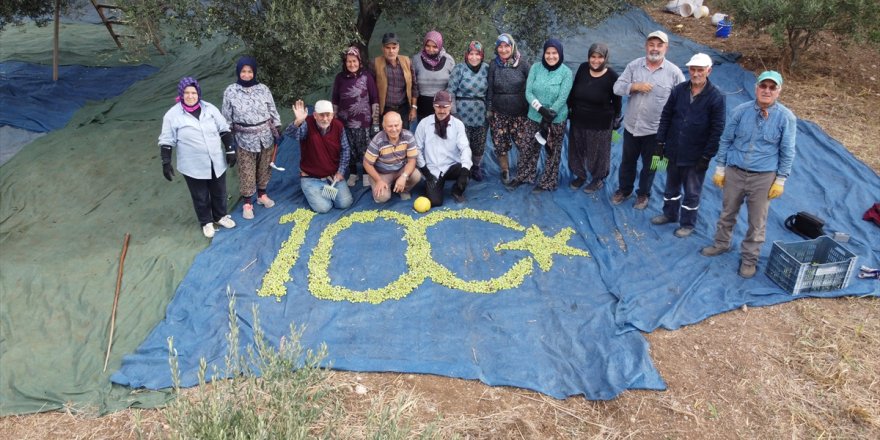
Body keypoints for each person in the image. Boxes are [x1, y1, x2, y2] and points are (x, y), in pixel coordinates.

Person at [701, 71, 796, 278]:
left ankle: (749, 259)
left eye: (772, 87)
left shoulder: (785, 117)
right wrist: (720, 168)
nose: (767, 91)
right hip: (735, 172)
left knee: (757, 222)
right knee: (727, 213)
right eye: (763, 86)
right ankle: (721, 244)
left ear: (779, 91)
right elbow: (726, 140)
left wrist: (780, 180)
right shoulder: (740, 111)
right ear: (756, 88)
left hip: (763, 178)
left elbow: (787, 151)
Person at [651, 53, 726, 238]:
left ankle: (687, 223)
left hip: (695, 155)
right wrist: (660, 143)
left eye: (700, 70)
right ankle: (669, 214)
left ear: (709, 71)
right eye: (693, 69)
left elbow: (717, 129)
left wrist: (707, 156)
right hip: (674, 150)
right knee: (671, 186)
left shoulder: (716, 97)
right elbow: (666, 116)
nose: (696, 73)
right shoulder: (679, 90)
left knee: (692, 192)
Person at [612, 30, 685, 209]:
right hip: (631, 127)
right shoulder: (633, 66)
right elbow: (617, 87)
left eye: (659, 45)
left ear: (666, 48)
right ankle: (624, 189)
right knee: (627, 161)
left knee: (650, 165)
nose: (655, 48)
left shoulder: (674, 73)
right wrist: (634, 86)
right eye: (651, 44)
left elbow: (682, 103)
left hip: (656, 131)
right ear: (646, 46)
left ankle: (643, 194)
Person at [159, 76, 237, 238]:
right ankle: (206, 222)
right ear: (181, 94)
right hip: (192, 165)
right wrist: (166, 161)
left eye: (193, 93)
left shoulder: (209, 109)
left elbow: (224, 129)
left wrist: (230, 150)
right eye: (186, 93)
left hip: (215, 160)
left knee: (219, 191)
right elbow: (167, 140)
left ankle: (220, 216)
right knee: (200, 195)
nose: (190, 96)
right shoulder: (172, 115)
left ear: (198, 93)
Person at [221, 56, 282, 220]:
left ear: (254, 72)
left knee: (264, 167)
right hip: (243, 139)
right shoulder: (230, 91)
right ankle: (247, 202)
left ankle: (262, 195)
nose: (246, 75)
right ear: (238, 72)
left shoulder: (263, 89)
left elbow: (272, 110)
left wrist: (277, 128)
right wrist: (229, 144)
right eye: (243, 71)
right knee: (246, 171)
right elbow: (226, 119)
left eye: (249, 71)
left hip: (265, 137)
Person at [513, 38, 573, 192]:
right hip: (534, 116)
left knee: (552, 151)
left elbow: (562, 97)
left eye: (554, 53)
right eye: (548, 53)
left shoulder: (566, 72)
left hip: (556, 119)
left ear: (560, 54)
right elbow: (528, 91)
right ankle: (524, 176)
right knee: (528, 147)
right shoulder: (535, 68)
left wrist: (549, 114)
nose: (551, 56)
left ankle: (547, 182)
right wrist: (540, 109)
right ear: (544, 53)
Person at [566, 42, 621, 193]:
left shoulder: (612, 76)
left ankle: (598, 179)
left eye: (600, 57)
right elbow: (574, 89)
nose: (596, 60)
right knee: (577, 149)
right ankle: (580, 175)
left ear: (605, 58)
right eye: (593, 57)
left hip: (600, 122)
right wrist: (567, 109)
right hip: (578, 118)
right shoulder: (583, 68)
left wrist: (616, 117)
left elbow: (617, 100)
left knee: (598, 153)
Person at [283, 99, 354, 213]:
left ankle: (321, 191)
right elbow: (292, 134)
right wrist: (298, 121)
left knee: (345, 203)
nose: (325, 119)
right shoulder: (307, 123)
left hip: (332, 177)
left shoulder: (338, 126)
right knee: (323, 208)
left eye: (328, 115)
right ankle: (309, 188)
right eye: (321, 115)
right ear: (315, 115)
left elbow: (345, 150)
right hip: (311, 177)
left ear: (333, 115)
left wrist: (341, 172)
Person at [331, 46, 380, 187]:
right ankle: (353, 173)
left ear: (359, 61)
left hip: (364, 122)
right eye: (348, 61)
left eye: (354, 61)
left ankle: (366, 173)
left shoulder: (367, 76)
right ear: (345, 63)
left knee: (365, 148)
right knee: (348, 148)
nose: (352, 64)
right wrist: (334, 120)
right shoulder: (339, 78)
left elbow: (374, 99)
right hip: (344, 122)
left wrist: (375, 122)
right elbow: (335, 99)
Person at [486, 33, 531, 184]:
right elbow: (490, 88)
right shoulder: (493, 64)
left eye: (507, 46)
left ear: (512, 46)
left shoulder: (523, 65)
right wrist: (489, 108)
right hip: (499, 113)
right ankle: (504, 170)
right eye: (500, 46)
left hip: (520, 113)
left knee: (523, 143)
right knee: (500, 144)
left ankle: (524, 170)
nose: (503, 49)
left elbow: (531, 87)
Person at [415, 91, 472, 205]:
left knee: (466, 169)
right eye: (438, 106)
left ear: (450, 106)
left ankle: (457, 190)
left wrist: (465, 171)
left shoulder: (458, 124)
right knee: (435, 202)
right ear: (433, 106)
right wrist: (425, 172)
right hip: (433, 169)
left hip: (452, 165)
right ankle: (431, 185)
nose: (441, 110)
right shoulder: (424, 123)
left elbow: (465, 147)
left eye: (445, 107)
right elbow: (417, 149)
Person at [447, 40, 489, 181]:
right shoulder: (459, 69)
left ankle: (476, 167)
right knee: (462, 143)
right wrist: (454, 113)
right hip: (461, 113)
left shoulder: (486, 69)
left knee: (479, 144)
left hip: (480, 114)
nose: (474, 57)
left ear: (482, 55)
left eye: (477, 54)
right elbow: (450, 92)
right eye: (471, 54)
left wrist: (489, 110)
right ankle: (463, 169)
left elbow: (491, 92)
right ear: (467, 55)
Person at [363, 112, 422, 203]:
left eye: (396, 125)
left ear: (401, 124)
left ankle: (402, 189)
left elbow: (412, 160)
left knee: (416, 175)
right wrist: (378, 180)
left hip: (400, 170)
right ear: (384, 127)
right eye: (390, 126)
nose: (394, 129)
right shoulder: (378, 140)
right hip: (382, 173)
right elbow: (366, 163)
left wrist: (404, 176)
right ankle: (377, 182)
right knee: (382, 198)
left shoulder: (408, 136)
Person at [373, 32, 419, 128]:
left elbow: (414, 86)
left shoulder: (407, 61)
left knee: (403, 137)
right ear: (382, 48)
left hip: (403, 109)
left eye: (394, 48)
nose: (391, 51)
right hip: (385, 110)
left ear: (398, 48)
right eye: (388, 48)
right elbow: (371, 91)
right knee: (386, 138)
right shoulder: (375, 64)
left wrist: (413, 108)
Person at [412, 30, 455, 123]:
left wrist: (452, 108)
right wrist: (413, 107)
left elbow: (453, 86)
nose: (431, 49)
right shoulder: (416, 60)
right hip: (422, 107)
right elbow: (413, 85)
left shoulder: (449, 60)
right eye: (428, 46)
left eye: (434, 46)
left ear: (439, 45)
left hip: (443, 108)